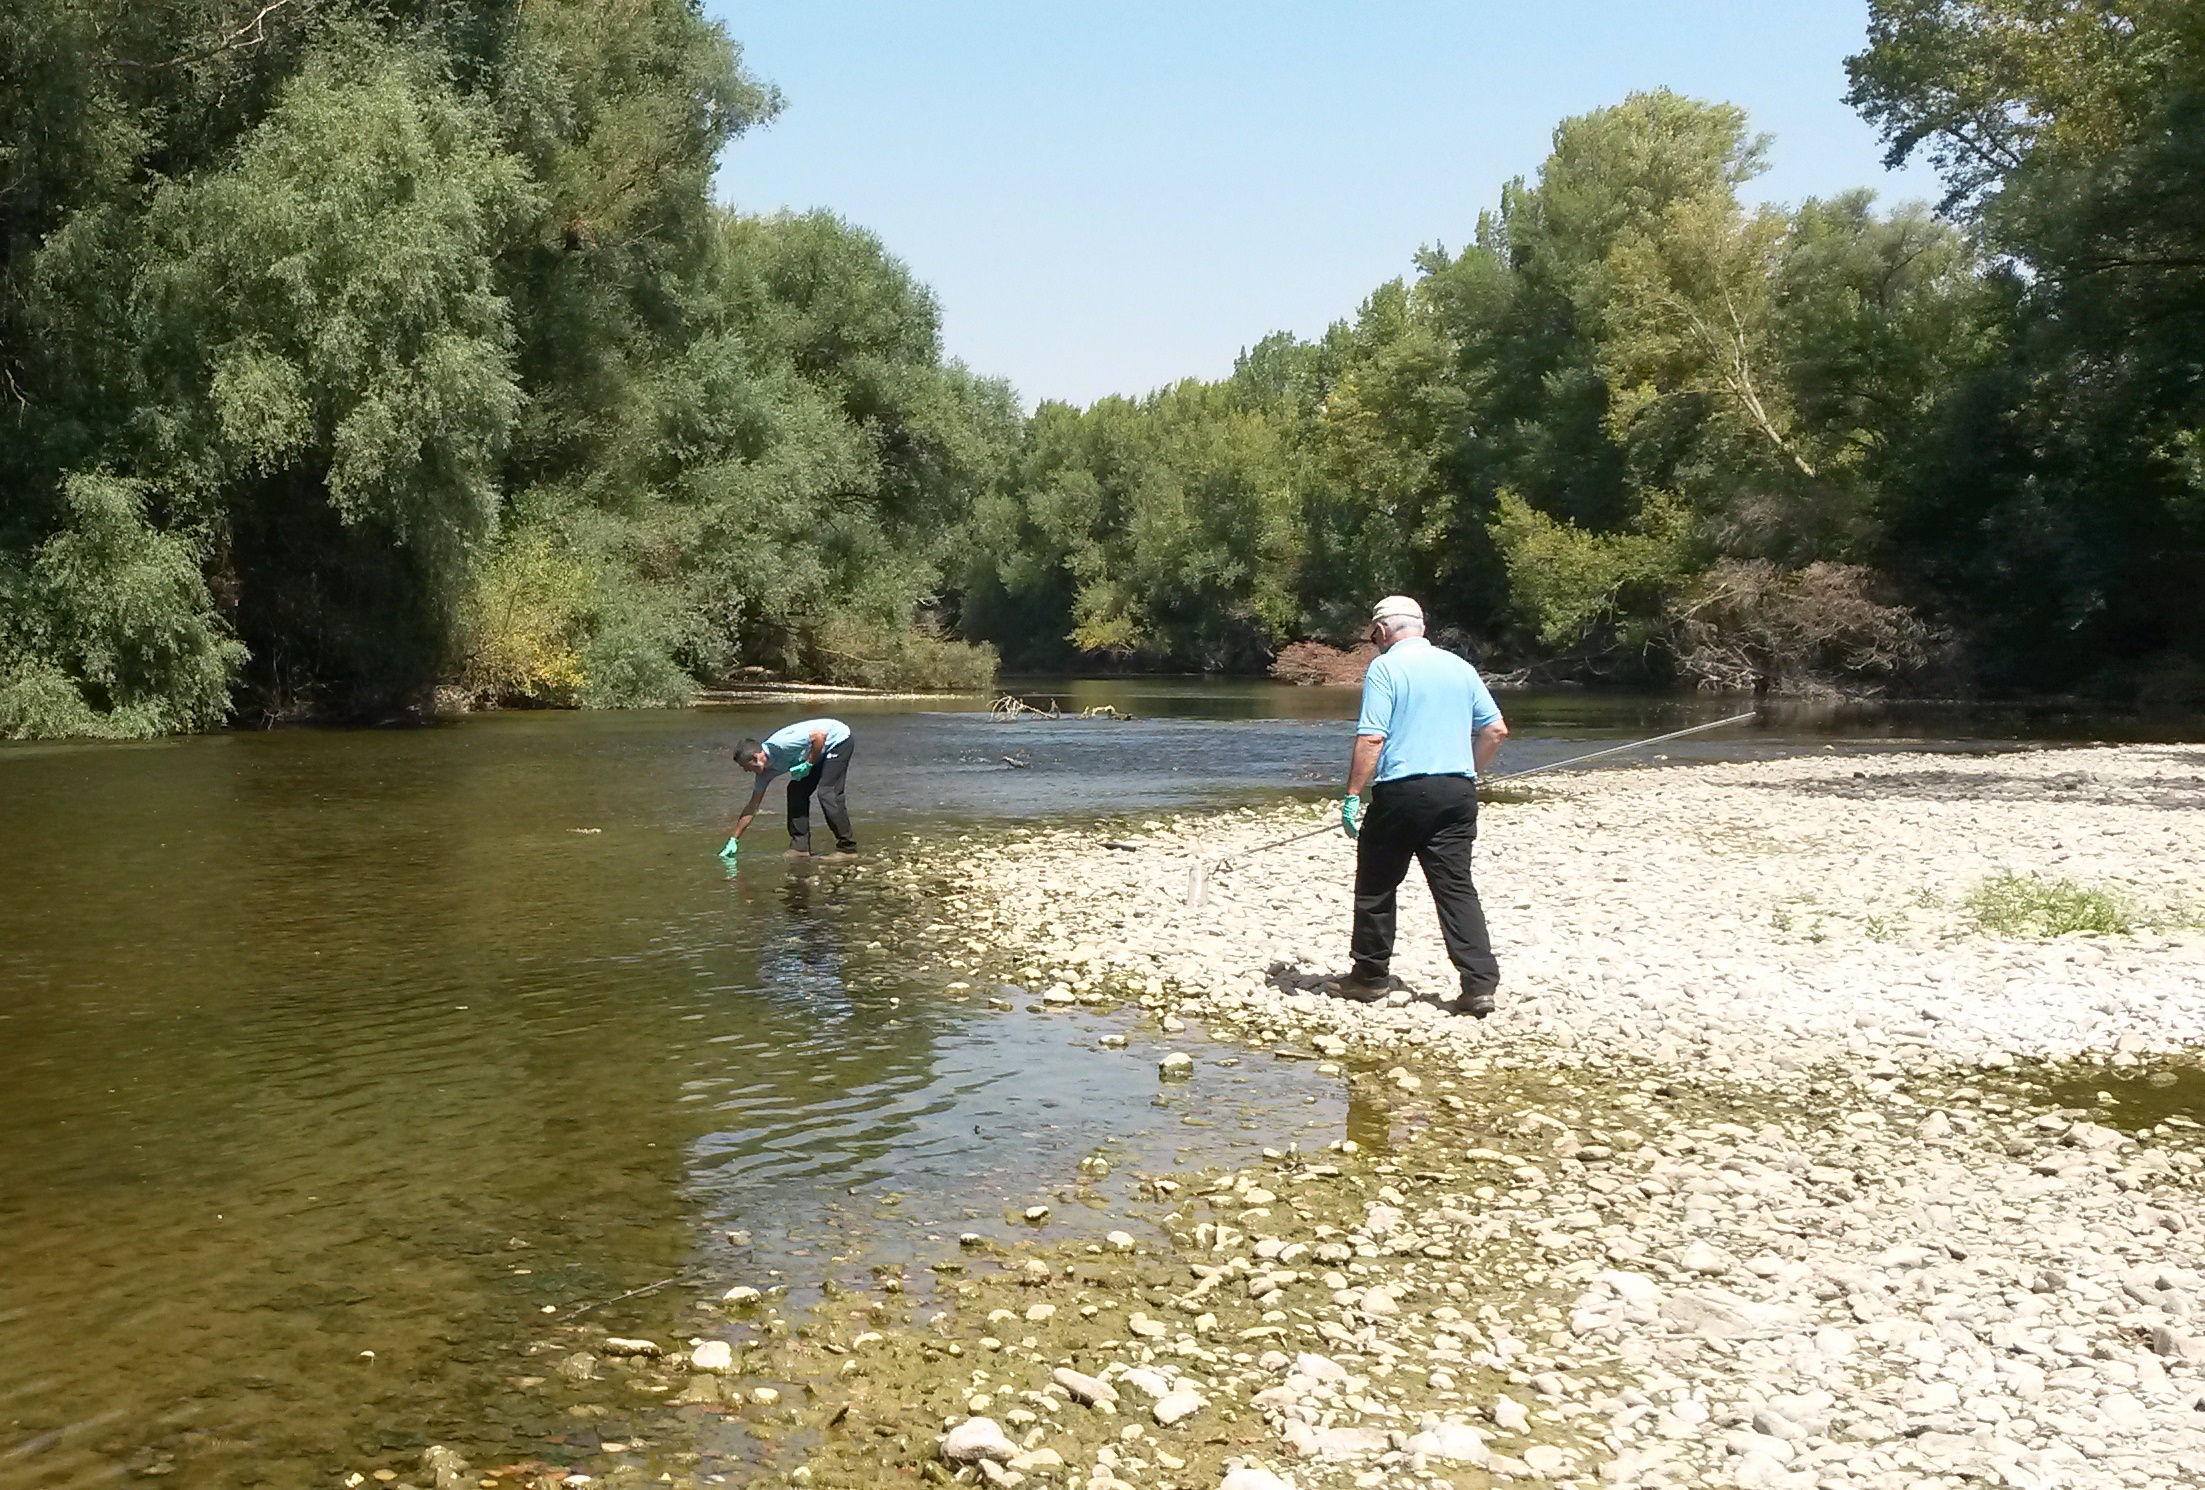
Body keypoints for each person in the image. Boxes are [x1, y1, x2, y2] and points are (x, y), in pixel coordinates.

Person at [1336, 596, 1509, 1017]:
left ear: (1381, 631)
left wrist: (1353, 794)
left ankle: (1370, 977)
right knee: (1455, 888)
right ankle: (1479, 985)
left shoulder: (1385, 667)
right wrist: (1466, 771)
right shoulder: (1460, 667)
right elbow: (1496, 730)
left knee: (1377, 885)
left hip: (1402, 793)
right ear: (1422, 629)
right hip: (1457, 792)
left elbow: (1372, 737)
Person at [720, 718, 859, 862]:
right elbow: (752, 807)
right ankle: (800, 847)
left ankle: (847, 848)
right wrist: (734, 839)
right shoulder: (763, 774)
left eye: (745, 766)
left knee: (827, 793)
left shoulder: (782, 743)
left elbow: (819, 736)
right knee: (796, 791)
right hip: (816, 751)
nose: (745, 770)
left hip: (837, 740)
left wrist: (808, 763)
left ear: (756, 757)